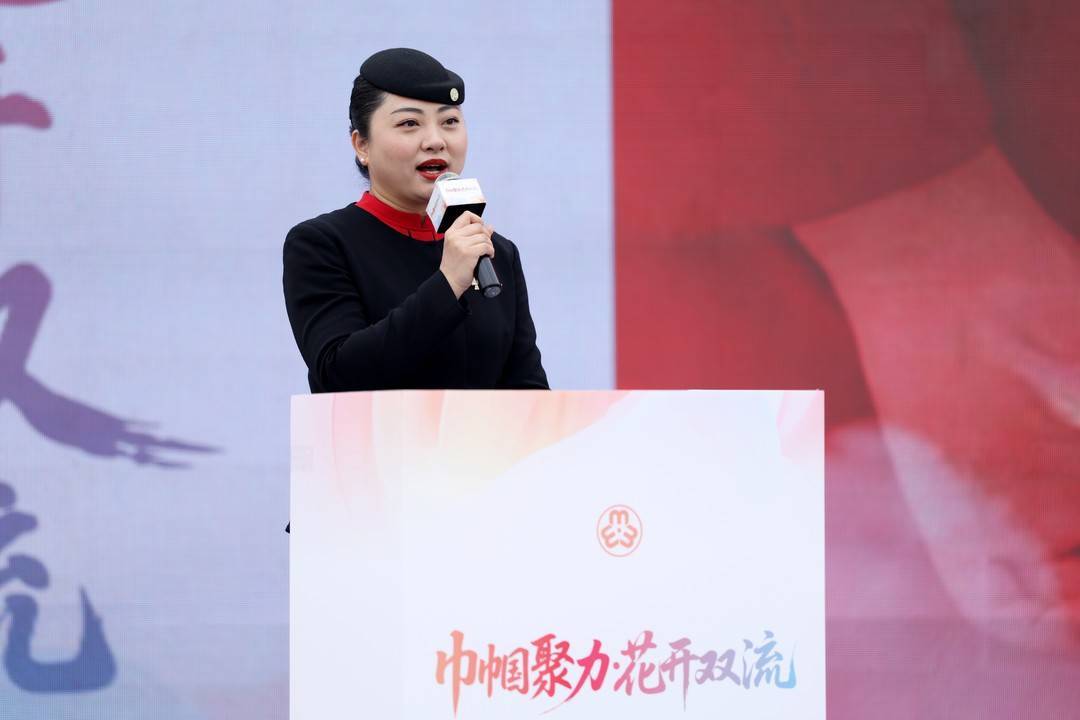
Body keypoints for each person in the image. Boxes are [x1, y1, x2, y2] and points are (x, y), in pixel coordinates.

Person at [283, 47, 548, 394]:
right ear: (362, 145)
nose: (436, 141)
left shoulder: (494, 253)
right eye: (409, 123)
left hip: (485, 434)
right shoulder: (322, 245)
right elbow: (339, 375)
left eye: (449, 122)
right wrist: (448, 283)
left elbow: (529, 395)